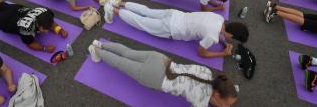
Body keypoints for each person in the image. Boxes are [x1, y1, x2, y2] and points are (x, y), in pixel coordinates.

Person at [87, 40, 238, 107]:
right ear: (217, 95)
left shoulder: (207, 71)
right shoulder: (201, 103)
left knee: (127, 52)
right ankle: (96, 51)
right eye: (227, 105)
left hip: (161, 60)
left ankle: (99, 44)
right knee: (120, 64)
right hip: (155, 77)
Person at [103, 0, 248, 58]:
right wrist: (222, 53)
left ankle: (119, 3)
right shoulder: (212, 37)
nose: (229, 39)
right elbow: (201, 53)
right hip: (171, 28)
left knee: (147, 11)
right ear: (230, 34)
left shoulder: (219, 18)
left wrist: (223, 43)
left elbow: (218, 31)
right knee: (141, 22)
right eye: (231, 38)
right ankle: (112, 9)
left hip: (175, 14)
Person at [0, 0, 68, 52]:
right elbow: (30, 44)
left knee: (2, 5)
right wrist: (45, 48)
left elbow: (50, 22)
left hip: (16, 9)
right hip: (6, 22)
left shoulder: (46, 12)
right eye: (45, 29)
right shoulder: (27, 31)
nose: (47, 32)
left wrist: (60, 29)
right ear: (39, 26)